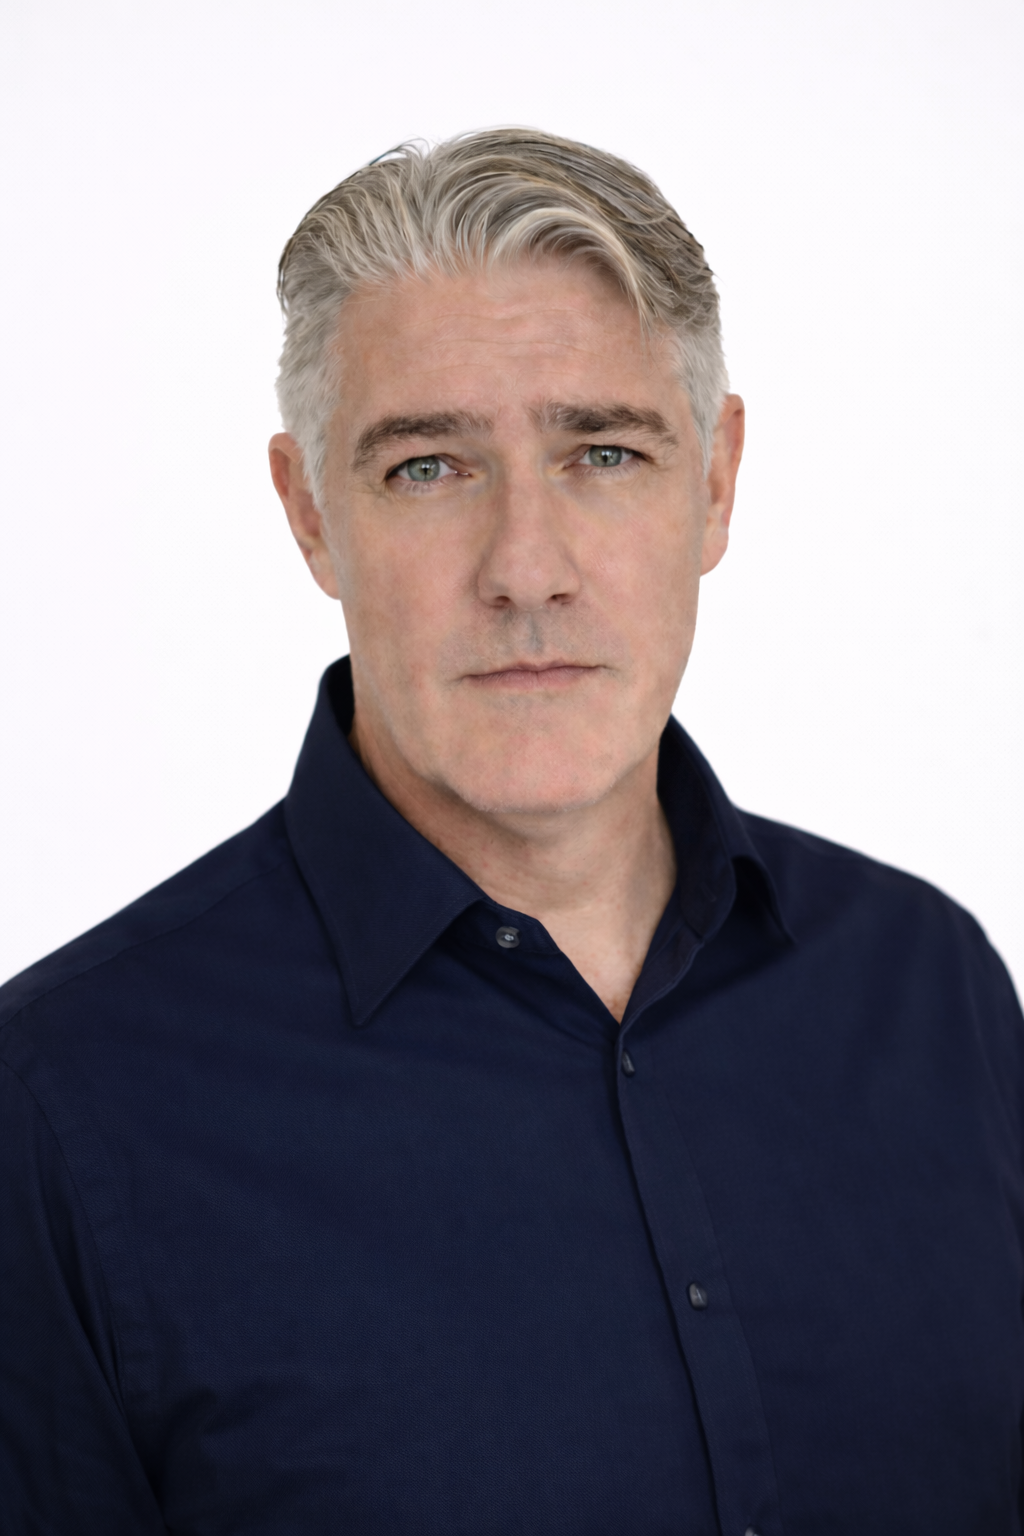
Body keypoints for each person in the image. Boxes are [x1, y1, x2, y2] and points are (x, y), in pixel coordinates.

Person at [1, 129, 1021, 1536]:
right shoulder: (60, 1109)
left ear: (716, 483)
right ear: (310, 515)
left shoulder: (934, 989)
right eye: (429, 467)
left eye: (604, 452)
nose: (526, 570)